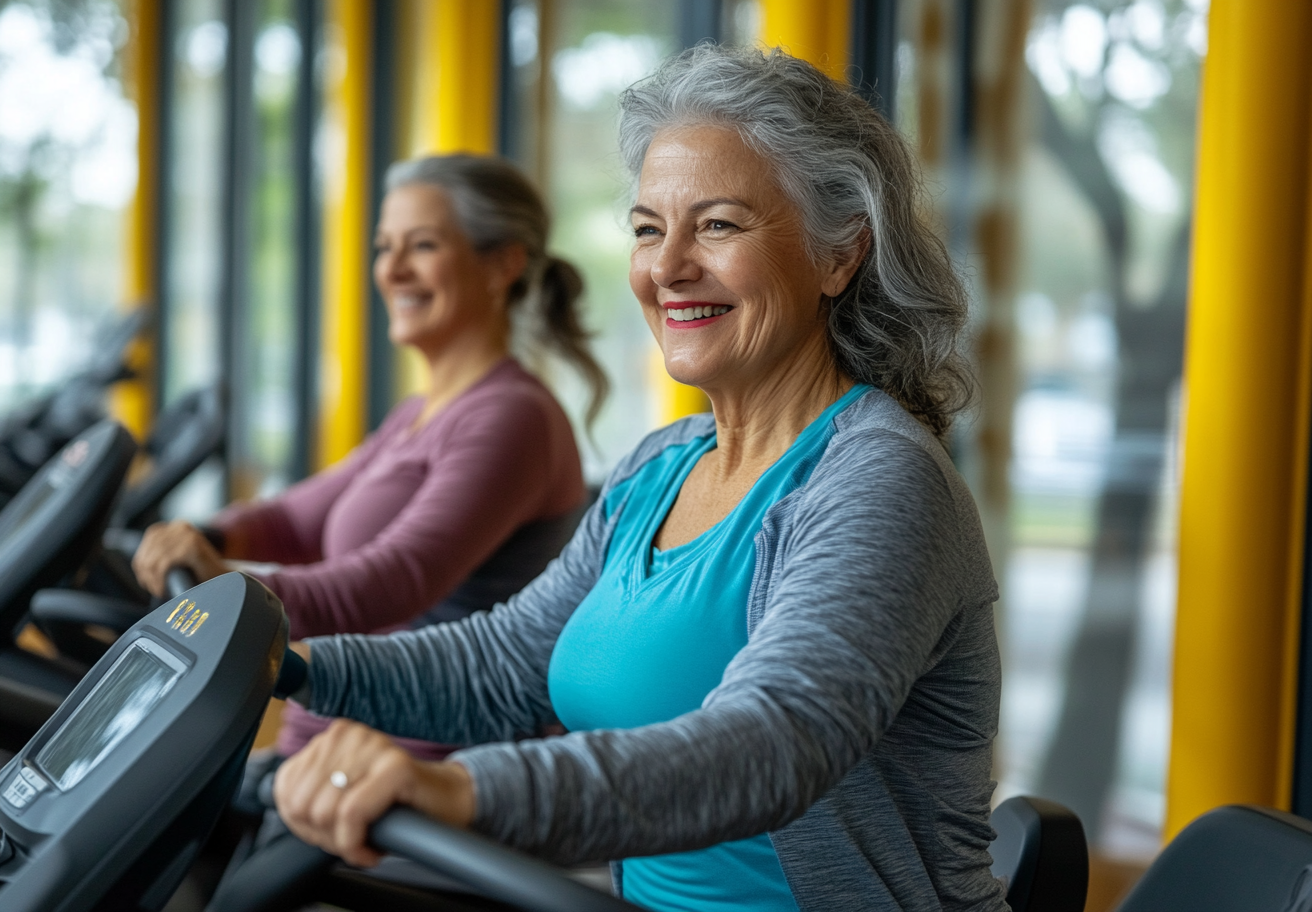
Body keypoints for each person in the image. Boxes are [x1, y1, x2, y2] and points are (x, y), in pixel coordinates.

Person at [273, 45, 1006, 912]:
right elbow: (502, 666)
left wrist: (465, 790)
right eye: (649, 229)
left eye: (720, 225)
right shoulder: (661, 466)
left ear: (839, 255)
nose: (666, 269)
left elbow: (773, 742)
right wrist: (281, 665)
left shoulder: (879, 482)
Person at [132, 154, 607, 761]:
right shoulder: (418, 414)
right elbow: (293, 522)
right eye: (385, 248)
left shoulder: (513, 417)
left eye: (423, 246)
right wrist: (201, 537)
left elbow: (394, 581)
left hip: (417, 773)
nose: (394, 270)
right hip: (330, 746)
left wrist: (224, 587)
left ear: (503, 264)